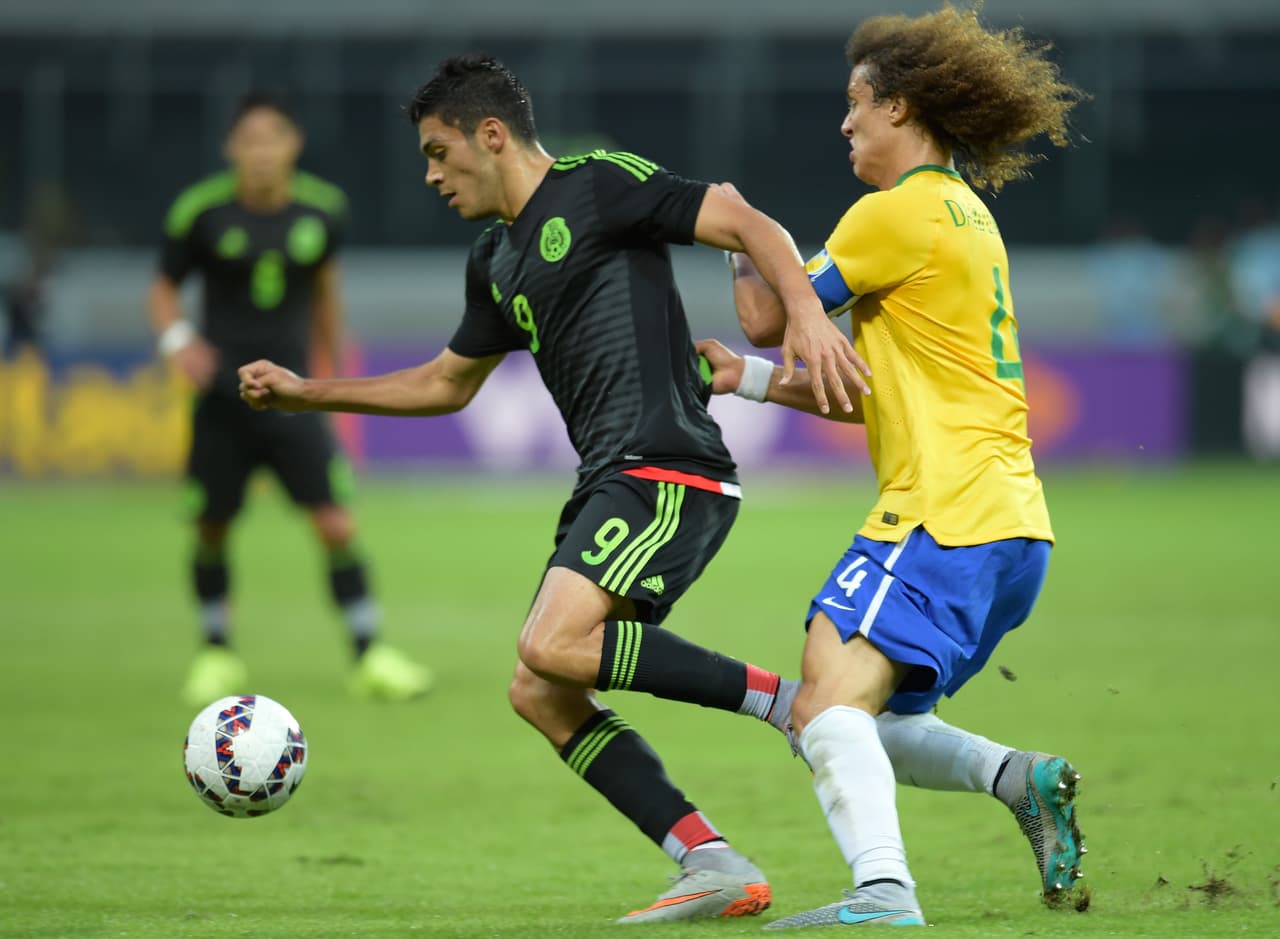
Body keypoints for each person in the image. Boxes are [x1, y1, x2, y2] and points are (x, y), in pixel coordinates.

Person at [238, 54, 869, 924]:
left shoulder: (599, 186)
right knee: (539, 687)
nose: (429, 175)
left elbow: (745, 220)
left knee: (553, 646)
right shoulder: (494, 259)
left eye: (437, 151)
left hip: (669, 467)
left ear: (489, 135)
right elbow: (445, 384)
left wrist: (803, 312)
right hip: (609, 480)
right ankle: (713, 860)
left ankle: (786, 705)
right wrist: (310, 391)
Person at [699, 6, 1089, 927]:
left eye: (857, 105)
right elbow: (853, 381)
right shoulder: (966, 215)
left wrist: (737, 228)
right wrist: (747, 381)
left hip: (940, 515)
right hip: (1008, 528)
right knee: (865, 719)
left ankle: (883, 895)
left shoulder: (898, 212)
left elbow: (771, 312)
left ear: (901, 108)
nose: (845, 124)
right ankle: (1018, 778)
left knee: (823, 699)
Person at [149, 92, 433, 707]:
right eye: (248, 141)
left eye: (270, 139)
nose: (260, 153)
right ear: (232, 149)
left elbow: (328, 298)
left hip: (293, 396)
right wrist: (179, 343)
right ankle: (216, 652)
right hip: (222, 399)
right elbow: (164, 290)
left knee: (335, 524)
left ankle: (370, 655)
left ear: (292, 145)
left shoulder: (322, 211)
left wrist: (339, 388)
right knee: (211, 527)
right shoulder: (201, 213)